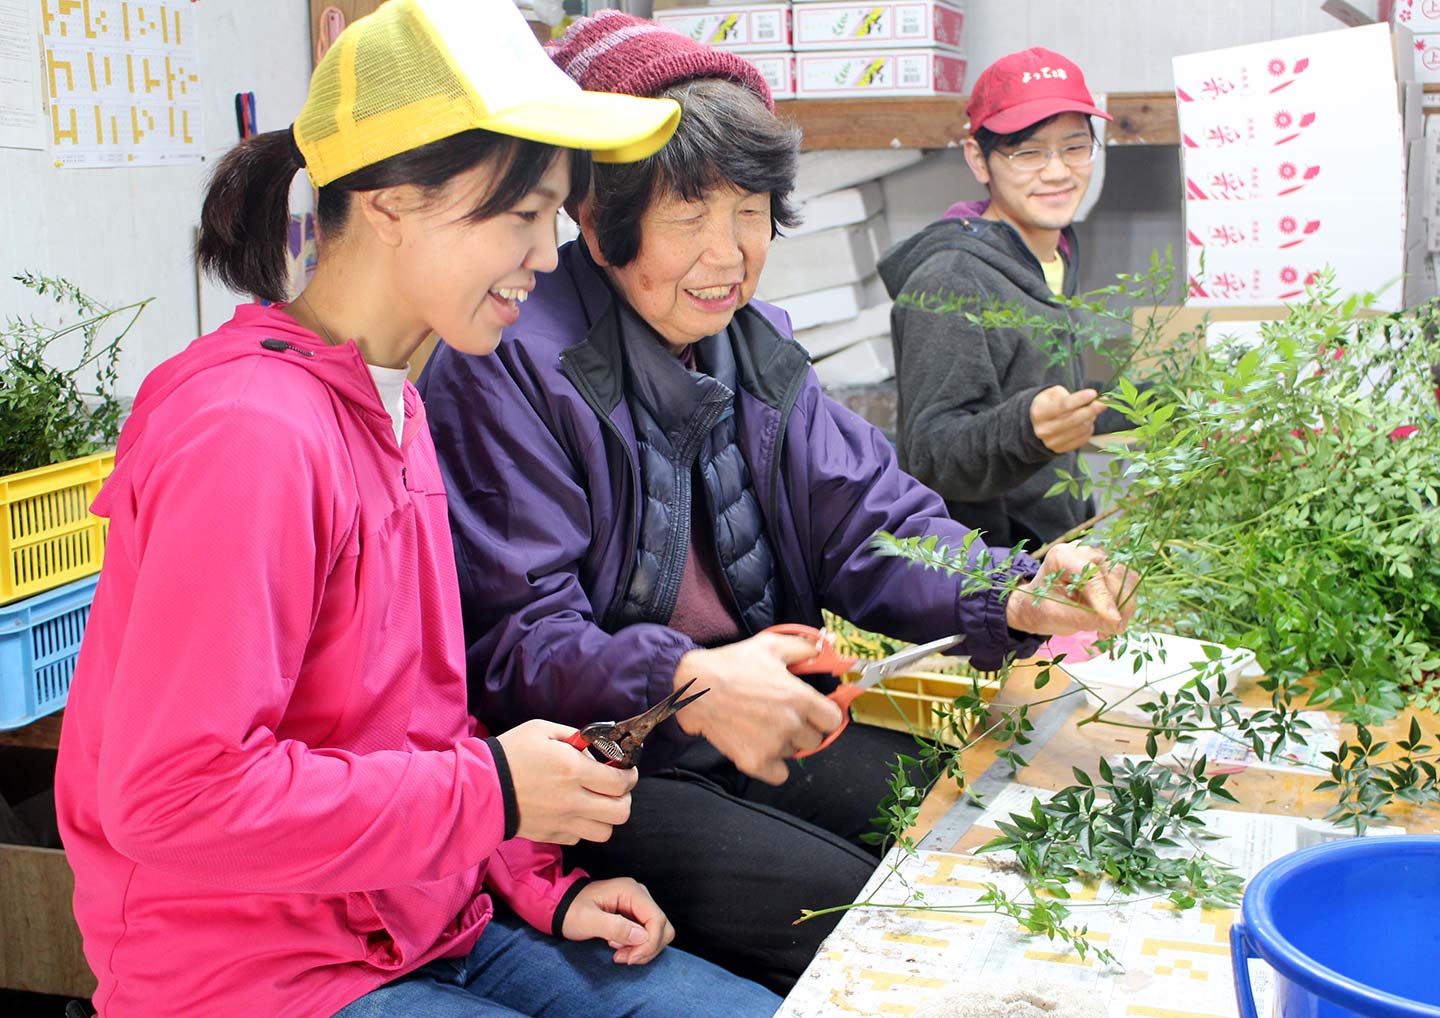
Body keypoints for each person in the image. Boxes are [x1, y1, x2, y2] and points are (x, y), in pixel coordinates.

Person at [52, 2, 783, 1016]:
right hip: (262, 976)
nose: (545, 253)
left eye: (554, 215)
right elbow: (172, 794)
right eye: (521, 214)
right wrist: (493, 788)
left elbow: (412, 723)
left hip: (428, 922)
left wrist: (538, 875)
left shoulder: (396, 400)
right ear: (396, 198)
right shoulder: (252, 432)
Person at [418, 12, 1137, 995]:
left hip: (750, 713)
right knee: (878, 921)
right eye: (688, 214)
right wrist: (694, 678)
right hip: (607, 762)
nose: (728, 254)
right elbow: (520, 645)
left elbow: (873, 516)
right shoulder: (511, 364)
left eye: (750, 210)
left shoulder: (752, 344)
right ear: (596, 215)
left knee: (975, 812)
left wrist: (1011, 589)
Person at [881, 47, 1133, 550]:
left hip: (1053, 551)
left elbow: (1044, 391)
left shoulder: (1050, 253)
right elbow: (930, 455)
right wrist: (1028, 431)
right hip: (992, 574)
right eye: (1029, 152)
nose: (1058, 172)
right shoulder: (952, 281)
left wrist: (1176, 402)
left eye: (1075, 147)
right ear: (979, 158)